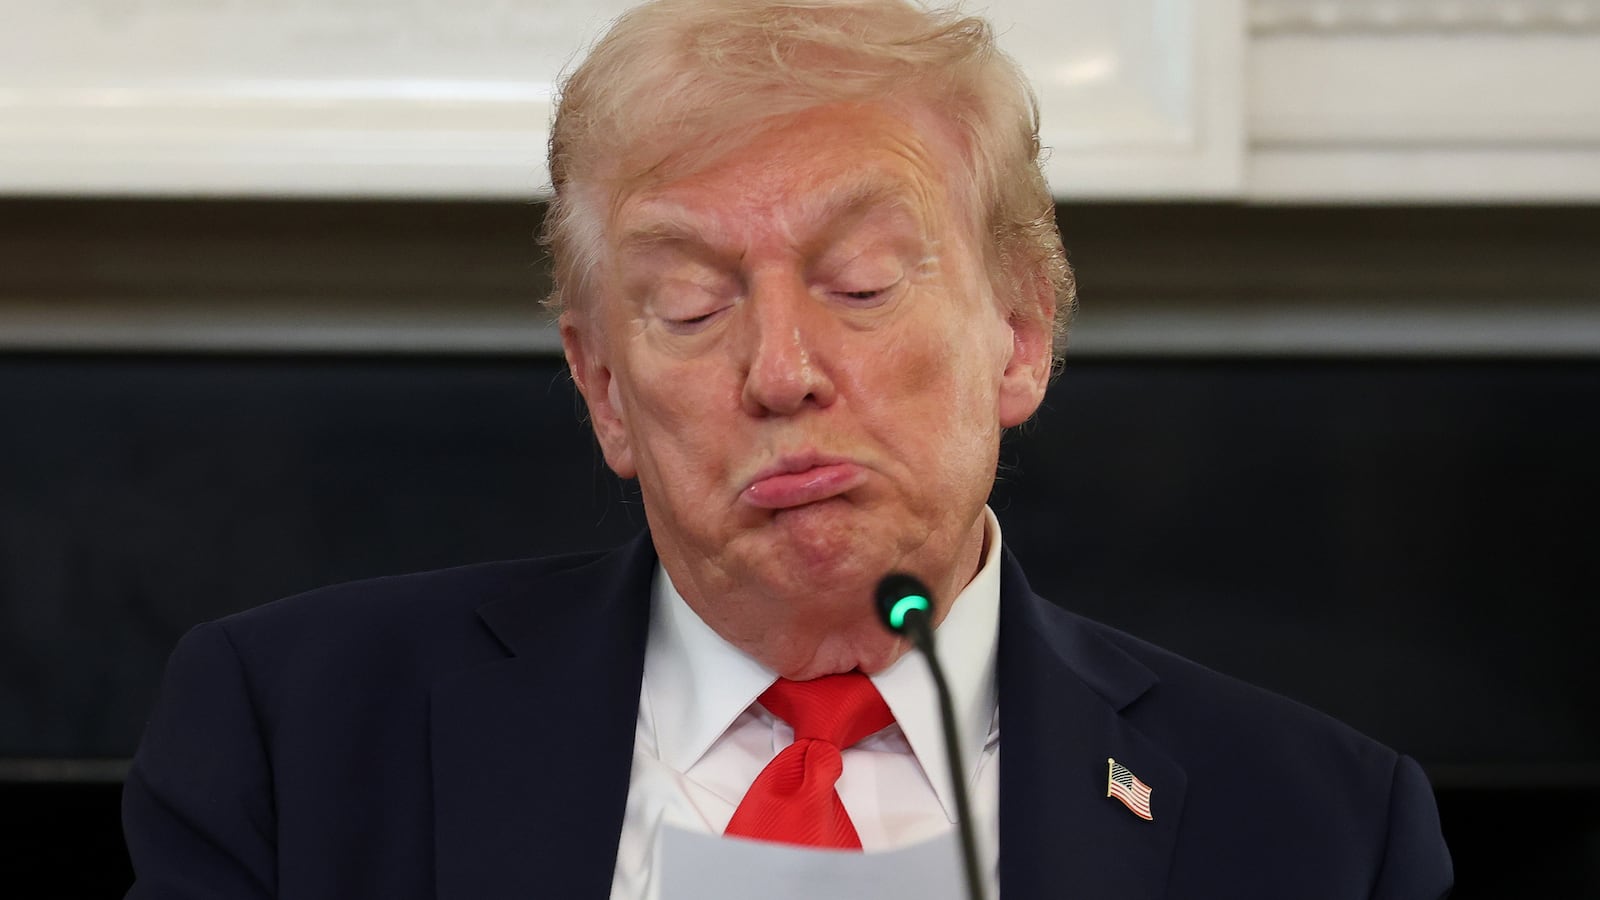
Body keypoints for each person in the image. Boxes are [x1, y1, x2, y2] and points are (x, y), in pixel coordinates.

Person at [122, 1, 1454, 897]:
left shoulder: (1322, 832)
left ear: (1021, 335)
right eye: (690, 306)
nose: (779, 371)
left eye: (861, 284)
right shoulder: (296, 736)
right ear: (603, 389)